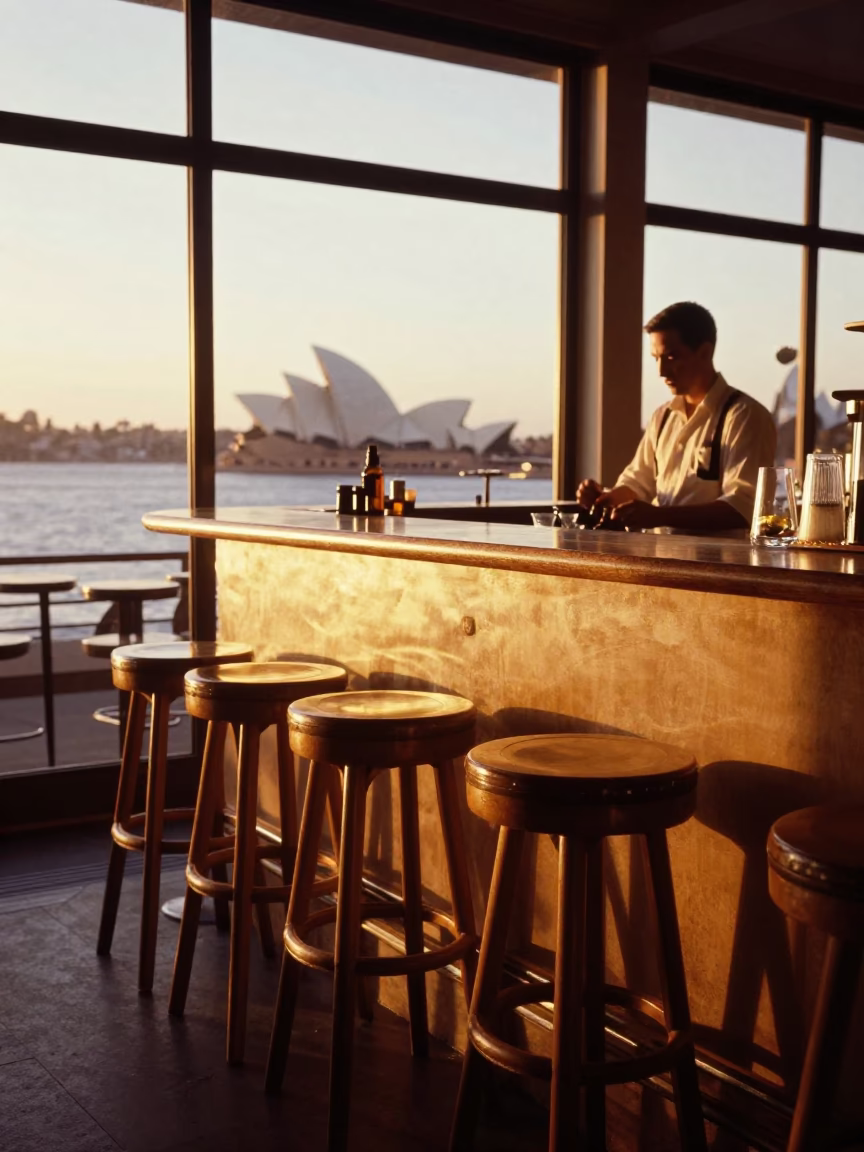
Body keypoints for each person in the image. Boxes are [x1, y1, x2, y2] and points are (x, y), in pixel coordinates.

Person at [577, 301, 777, 533]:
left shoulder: (745, 416)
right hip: (661, 561)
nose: (661, 371)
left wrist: (658, 516)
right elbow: (638, 482)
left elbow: (744, 508)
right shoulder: (663, 417)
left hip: (720, 566)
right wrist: (606, 499)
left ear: (705, 352)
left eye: (671, 357)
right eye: (656, 358)